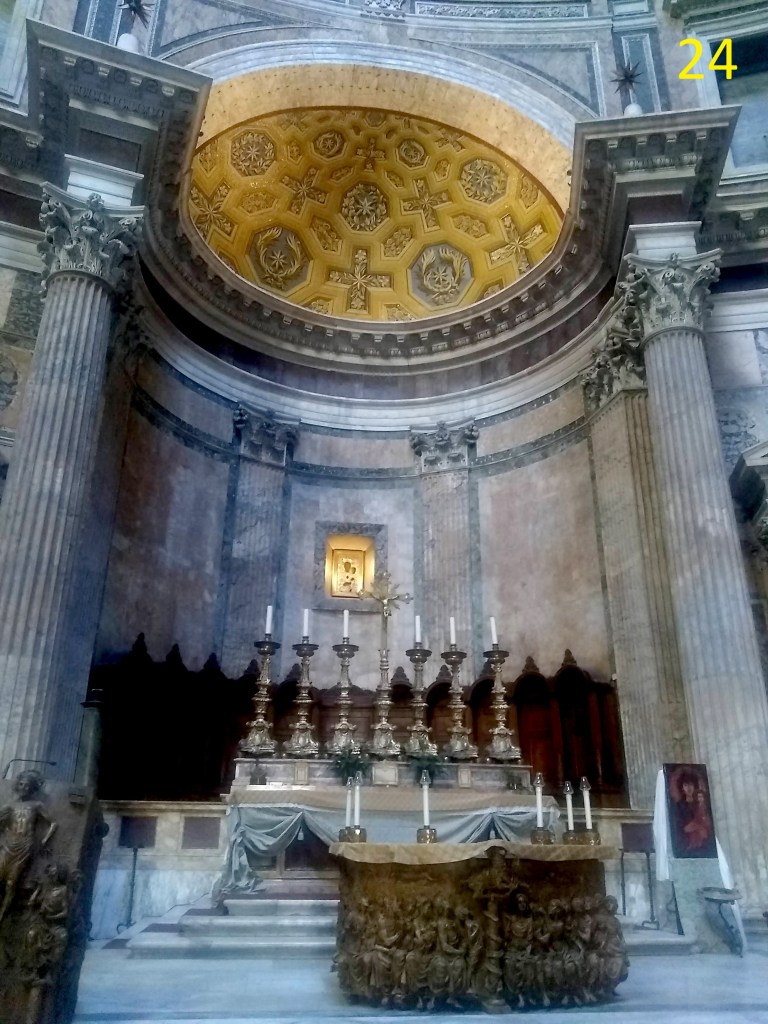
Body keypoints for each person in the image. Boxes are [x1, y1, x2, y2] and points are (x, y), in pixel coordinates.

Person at [0, 771, 57, 922]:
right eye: (21, 784)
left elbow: (53, 823)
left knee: (11, 882)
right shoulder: (10, 806)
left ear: (32, 788)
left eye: (27, 786)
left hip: (25, 846)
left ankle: (2, 915)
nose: (24, 788)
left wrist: (45, 841)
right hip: (8, 845)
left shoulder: (37, 805)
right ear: (17, 786)